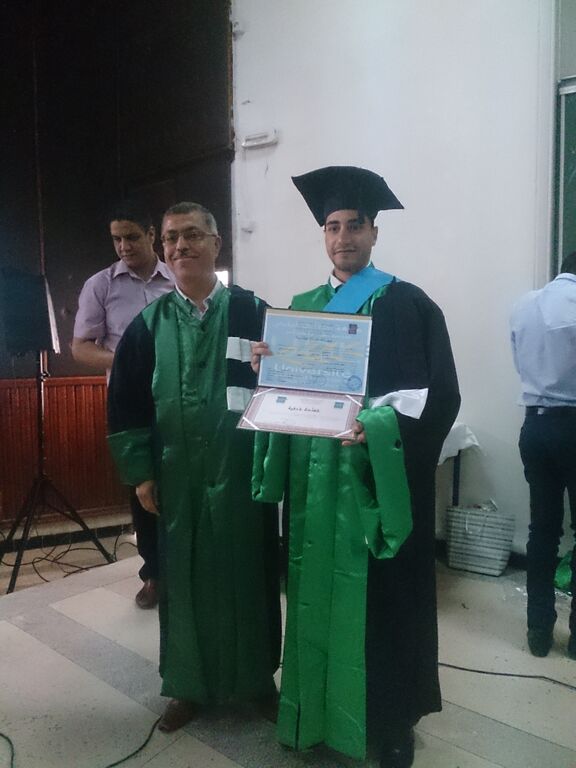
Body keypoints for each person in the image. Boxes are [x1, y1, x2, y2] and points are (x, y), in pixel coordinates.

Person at [251, 166, 460, 768]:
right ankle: (313, 712)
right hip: (315, 490)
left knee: (389, 603)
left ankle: (393, 722)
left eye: (354, 225)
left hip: (375, 488)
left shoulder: (410, 305)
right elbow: (288, 402)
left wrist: (380, 428)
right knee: (314, 600)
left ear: (374, 232)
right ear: (324, 235)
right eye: (332, 226)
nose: (343, 237)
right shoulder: (301, 312)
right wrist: (270, 372)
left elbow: (439, 397)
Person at [107, 201, 281, 732]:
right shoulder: (148, 326)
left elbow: (288, 388)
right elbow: (126, 405)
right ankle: (186, 685)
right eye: (171, 238)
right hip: (176, 476)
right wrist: (141, 473)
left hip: (244, 471)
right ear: (163, 249)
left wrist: (276, 366)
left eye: (192, 235)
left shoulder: (254, 312)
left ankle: (257, 681)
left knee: (248, 573)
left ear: (215, 243)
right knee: (182, 577)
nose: (180, 245)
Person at [72, 201, 174, 609]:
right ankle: (154, 575)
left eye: (131, 237)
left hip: (178, 396)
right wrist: (128, 360)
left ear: (151, 235)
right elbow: (81, 348)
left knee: (184, 479)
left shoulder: (175, 278)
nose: (124, 246)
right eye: (116, 239)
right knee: (143, 488)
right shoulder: (101, 285)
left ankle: (188, 568)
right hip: (131, 401)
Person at [510, 252, 576, 659]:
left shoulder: (524, 305)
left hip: (534, 426)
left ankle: (538, 631)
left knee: (542, 531)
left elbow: (520, 363)